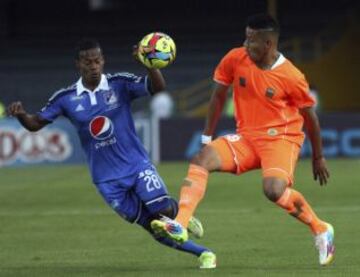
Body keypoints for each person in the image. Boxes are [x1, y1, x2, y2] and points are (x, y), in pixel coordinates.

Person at [7, 38, 216, 269]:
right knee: (152, 225)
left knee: (162, 209)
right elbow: (35, 123)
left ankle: (182, 215)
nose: (94, 66)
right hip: (106, 179)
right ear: (78, 64)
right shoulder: (65, 98)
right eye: (88, 62)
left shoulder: (120, 83)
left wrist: (148, 64)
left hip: (136, 165)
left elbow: (158, 88)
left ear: (103, 61)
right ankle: (205, 254)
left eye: (97, 61)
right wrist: (21, 115)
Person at [151, 14, 334, 266]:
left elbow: (310, 117)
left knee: (273, 190)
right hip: (246, 137)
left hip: (281, 138)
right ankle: (180, 225)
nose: (246, 45)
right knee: (201, 159)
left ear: (268, 44)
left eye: (251, 40)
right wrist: (206, 138)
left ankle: (321, 228)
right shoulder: (235, 58)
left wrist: (318, 156)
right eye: (245, 38)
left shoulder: (291, 76)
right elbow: (217, 97)